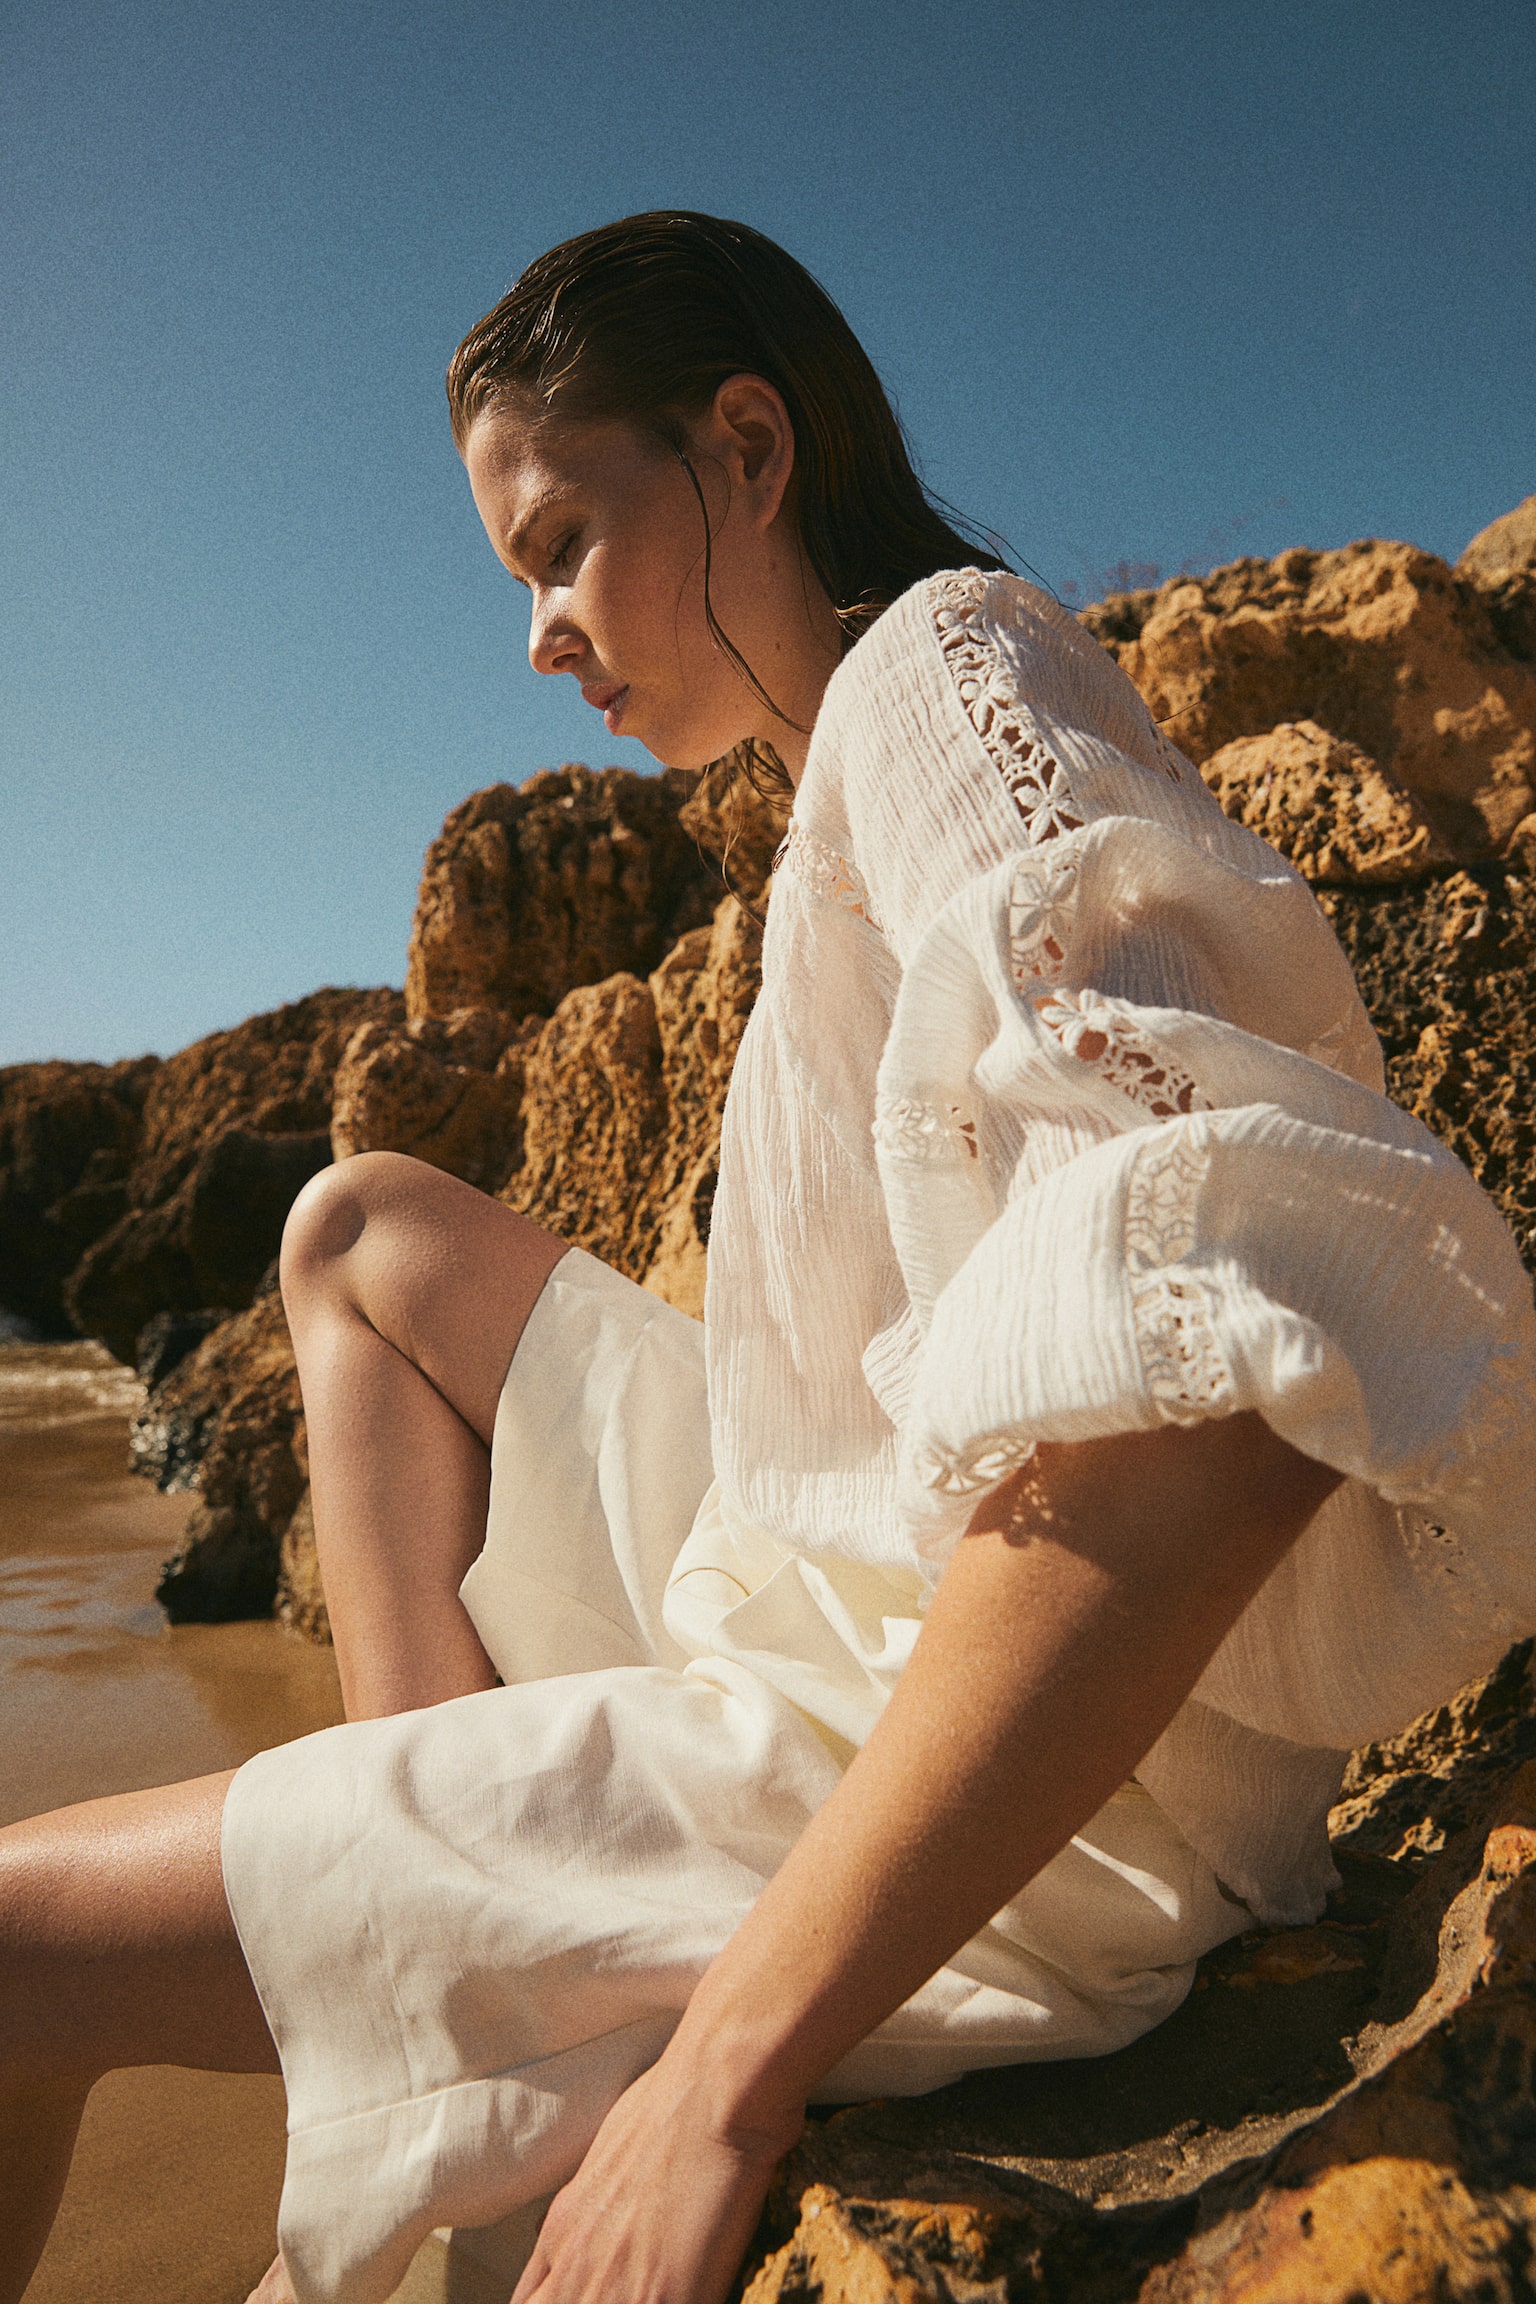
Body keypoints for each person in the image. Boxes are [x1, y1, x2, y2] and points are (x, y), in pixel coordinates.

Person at [4, 211, 1534, 2304]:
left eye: (557, 543)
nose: (540, 629)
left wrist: (733, 2060)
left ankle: (427, 1938)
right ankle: (417, 1883)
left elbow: (1225, 1359)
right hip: (835, 1577)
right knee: (358, 1230)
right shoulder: (845, 770)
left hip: (1012, 1785)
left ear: (746, 446)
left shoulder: (944, 672)